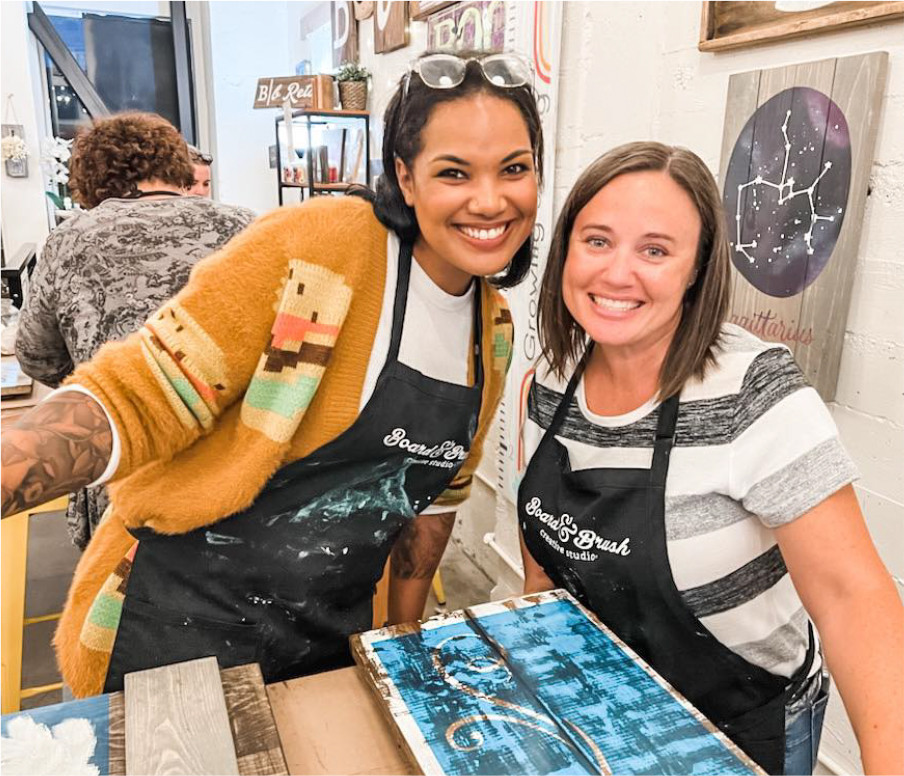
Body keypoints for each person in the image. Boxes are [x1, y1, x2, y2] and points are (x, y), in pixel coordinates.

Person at [1, 52, 543, 699]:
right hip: (174, 629)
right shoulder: (321, 248)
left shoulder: (494, 330)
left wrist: (404, 647)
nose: (490, 199)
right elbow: (146, 391)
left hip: (323, 645)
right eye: (454, 171)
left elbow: (437, 499)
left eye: (514, 168)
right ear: (404, 174)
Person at [518, 142, 903, 775]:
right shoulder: (550, 381)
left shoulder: (755, 394)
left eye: (655, 250)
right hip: (598, 704)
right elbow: (543, 570)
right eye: (597, 240)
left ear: (697, 268)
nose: (617, 273)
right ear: (565, 250)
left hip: (737, 725)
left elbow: (852, 598)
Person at [15, 112, 255, 550]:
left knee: (119, 601)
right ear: (176, 165)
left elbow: (36, 355)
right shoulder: (243, 224)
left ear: (91, 176)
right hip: (236, 457)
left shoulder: (71, 238)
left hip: (124, 455)